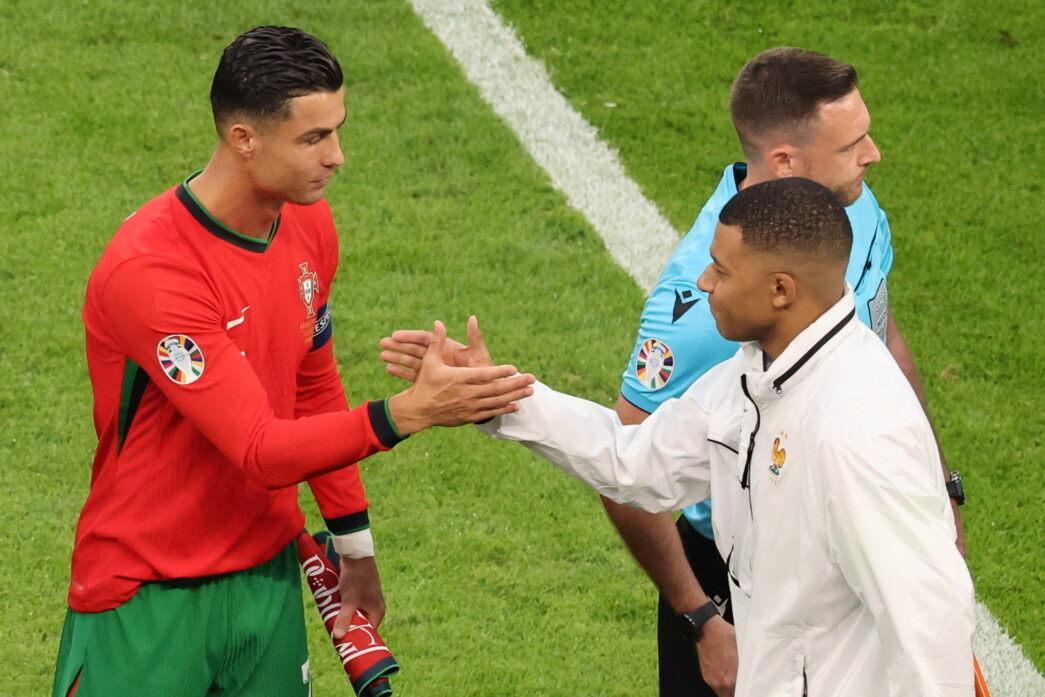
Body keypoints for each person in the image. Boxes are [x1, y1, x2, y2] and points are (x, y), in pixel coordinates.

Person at [52, 26, 534, 697]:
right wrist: (408, 412)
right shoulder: (154, 271)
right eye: (314, 138)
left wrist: (355, 547)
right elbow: (259, 447)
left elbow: (312, 385)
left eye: (336, 131)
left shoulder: (307, 223)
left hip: (267, 580)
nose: (337, 156)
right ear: (244, 138)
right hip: (147, 594)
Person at [385, 178, 974, 696]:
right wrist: (497, 395)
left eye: (722, 269)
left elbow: (929, 626)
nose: (703, 280)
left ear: (781, 290)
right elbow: (635, 463)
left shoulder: (857, 428)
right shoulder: (757, 369)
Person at [602, 47, 967, 697]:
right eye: (851, 143)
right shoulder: (697, 306)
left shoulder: (845, 205)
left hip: (829, 556)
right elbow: (628, 466)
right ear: (783, 162)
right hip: (730, 576)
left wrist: (940, 487)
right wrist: (703, 620)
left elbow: (881, 331)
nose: (872, 154)